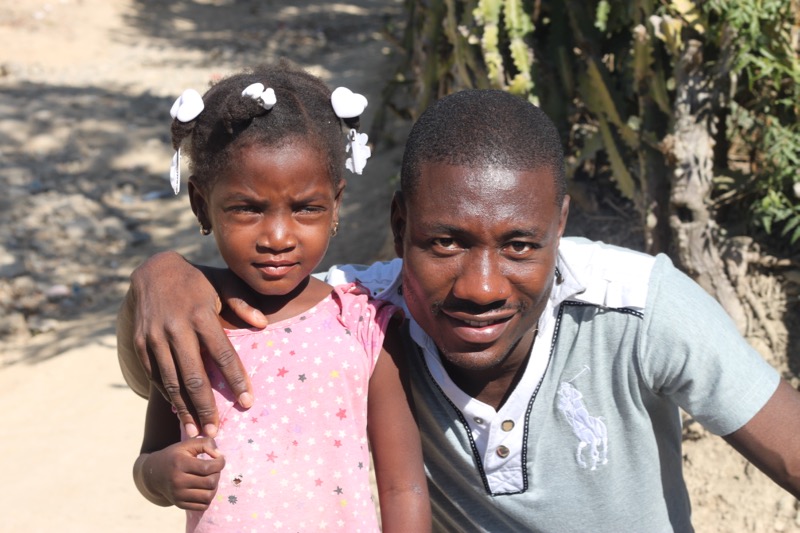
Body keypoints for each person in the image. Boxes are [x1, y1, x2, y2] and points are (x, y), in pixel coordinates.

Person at [118, 89, 800, 532]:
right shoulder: (359, 321)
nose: (480, 286)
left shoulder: (639, 308)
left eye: (520, 245)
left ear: (559, 226)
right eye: (444, 242)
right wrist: (157, 277)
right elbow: (220, 324)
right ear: (398, 223)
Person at [129, 60, 430, 533]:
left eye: (306, 208)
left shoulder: (364, 326)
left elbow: (402, 488)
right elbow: (148, 460)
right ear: (200, 204)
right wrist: (162, 475)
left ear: (336, 204)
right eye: (247, 208)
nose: (278, 236)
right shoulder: (190, 328)